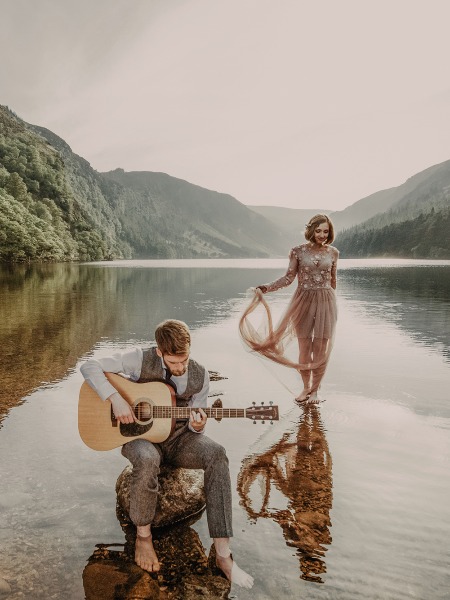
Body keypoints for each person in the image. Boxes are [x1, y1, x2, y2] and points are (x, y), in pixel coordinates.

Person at [80, 319, 254, 589]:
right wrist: (115, 398)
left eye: (184, 359)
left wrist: (198, 425)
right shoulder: (140, 359)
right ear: (160, 352)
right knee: (148, 459)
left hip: (180, 440)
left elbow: (198, 422)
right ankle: (143, 537)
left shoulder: (200, 375)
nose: (181, 367)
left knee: (217, 454)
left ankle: (223, 554)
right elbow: (89, 366)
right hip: (139, 437)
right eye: (174, 362)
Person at [239, 214, 338, 404]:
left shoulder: (334, 252)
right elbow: (288, 278)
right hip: (303, 300)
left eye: (326, 231)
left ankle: (316, 392)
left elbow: (333, 281)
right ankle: (306, 389)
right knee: (304, 346)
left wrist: (332, 304)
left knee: (321, 348)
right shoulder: (297, 251)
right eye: (318, 231)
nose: (322, 235)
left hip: (326, 302)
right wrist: (266, 288)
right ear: (311, 231)